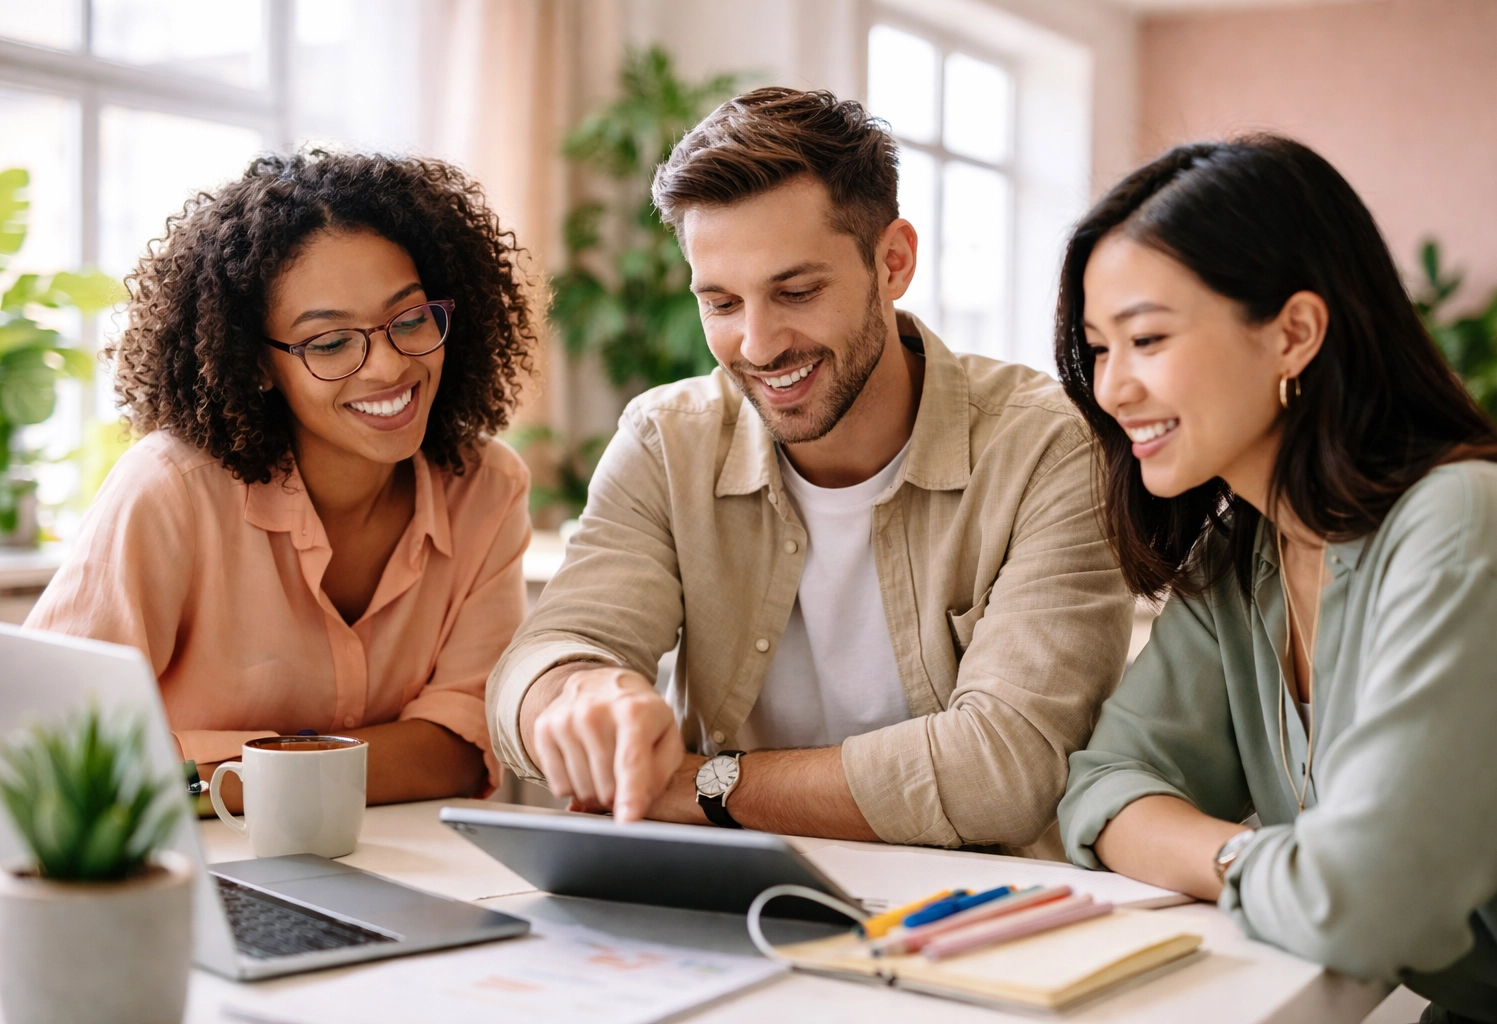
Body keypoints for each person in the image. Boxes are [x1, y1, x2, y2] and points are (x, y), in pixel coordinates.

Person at [487, 88, 1132, 853]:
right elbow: (539, 662)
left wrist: (697, 786)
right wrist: (577, 693)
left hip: (967, 917)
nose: (757, 345)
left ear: (893, 262)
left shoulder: (1051, 449)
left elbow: (1003, 769)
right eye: (721, 302)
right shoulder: (668, 439)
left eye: (796, 292)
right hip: (716, 904)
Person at [1052, 135, 1497, 1024]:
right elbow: (1103, 785)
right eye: (1098, 349)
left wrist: (1235, 858)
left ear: (1294, 333)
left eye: (1147, 339)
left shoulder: (1470, 524)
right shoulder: (1241, 560)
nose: (1113, 389)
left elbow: (1360, 907)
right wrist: (1267, 862)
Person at [28, 151, 539, 809]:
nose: (387, 367)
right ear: (258, 364)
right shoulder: (170, 490)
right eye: (329, 343)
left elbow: (457, 753)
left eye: (410, 319)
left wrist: (206, 771)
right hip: (191, 869)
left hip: (401, 871)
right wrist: (332, 766)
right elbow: (50, 744)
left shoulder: (486, 488)